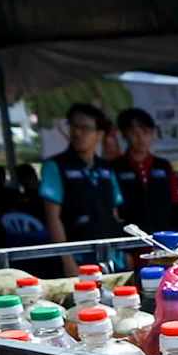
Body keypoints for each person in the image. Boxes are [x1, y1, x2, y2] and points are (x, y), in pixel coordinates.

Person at [40, 102, 123, 247]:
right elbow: (53, 219)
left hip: (111, 253)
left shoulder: (107, 168)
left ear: (99, 134)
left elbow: (114, 213)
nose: (77, 133)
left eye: (85, 128)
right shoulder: (54, 166)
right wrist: (67, 260)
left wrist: (123, 254)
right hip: (77, 254)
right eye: (73, 126)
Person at [111, 107, 178, 234]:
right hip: (129, 239)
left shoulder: (164, 165)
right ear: (124, 134)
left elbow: (176, 204)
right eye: (134, 133)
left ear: (153, 133)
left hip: (164, 238)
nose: (140, 138)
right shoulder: (115, 167)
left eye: (145, 132)